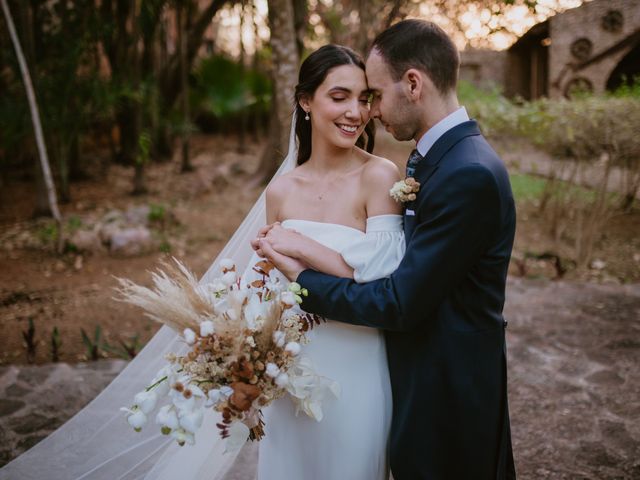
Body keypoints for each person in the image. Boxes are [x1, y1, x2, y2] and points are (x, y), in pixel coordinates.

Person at [257, 19, 518, 480]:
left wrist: (302, 273)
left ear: (413, 83)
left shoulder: (466, 172)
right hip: (398, 375)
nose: (368, 111)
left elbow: (397, 299)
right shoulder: (436, 159)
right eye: (348, 96)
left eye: (372, 94)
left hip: (448, 389)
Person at [248, 43, 405, 479]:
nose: (355, 111)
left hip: (358, 364)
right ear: (305, 100)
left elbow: (378, 281)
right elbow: (272, 290)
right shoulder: (281, 191)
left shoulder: (379, 176)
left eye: (364, 98)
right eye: (339, 97)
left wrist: (298, 244)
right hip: (292, 369)